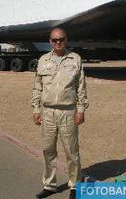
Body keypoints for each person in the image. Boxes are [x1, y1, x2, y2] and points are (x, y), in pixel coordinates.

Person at [32, 28, 88, 199]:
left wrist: (81, 110)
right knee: (48, 150)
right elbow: (37, 86)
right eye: (54, 40)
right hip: (48, 112)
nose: (58, 43)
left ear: (66, 40)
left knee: (72, 152)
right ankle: (49, 185)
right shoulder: (43, 60)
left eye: (61, 39)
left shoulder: (75, 59)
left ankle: (74, 186)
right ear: (50, 41)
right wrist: (36, 108)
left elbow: (81, 87)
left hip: (68, 112)